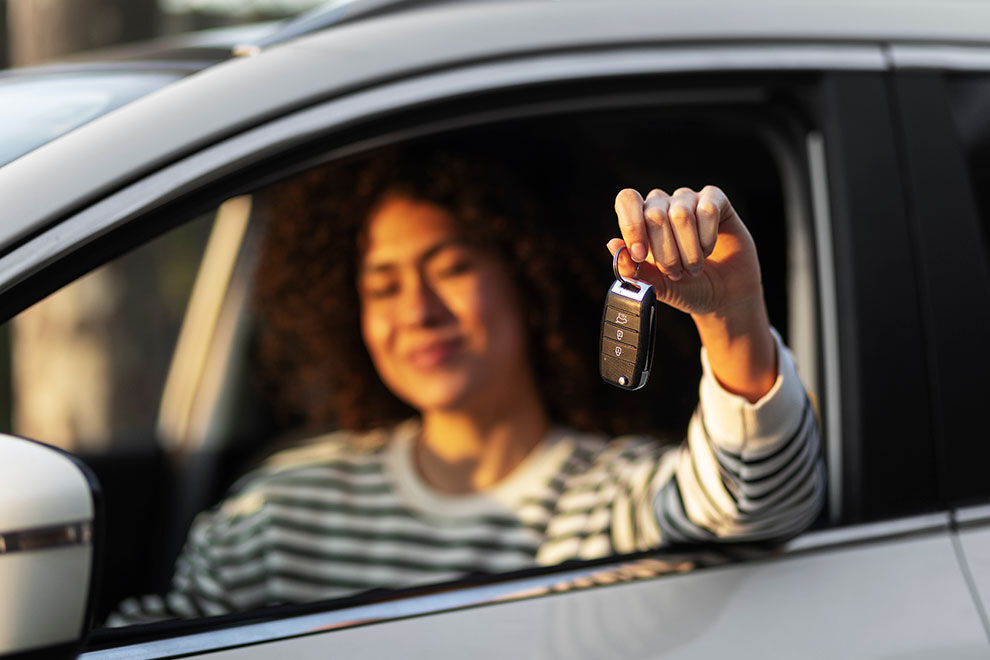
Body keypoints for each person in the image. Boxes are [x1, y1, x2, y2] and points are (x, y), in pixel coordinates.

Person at [107, 147, 823, 626]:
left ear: (527, 278)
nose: (417, 311)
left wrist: (731, 315)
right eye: (383, 285)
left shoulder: (613, 501)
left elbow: (759, 501)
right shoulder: (278, 512)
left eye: (450, 269)